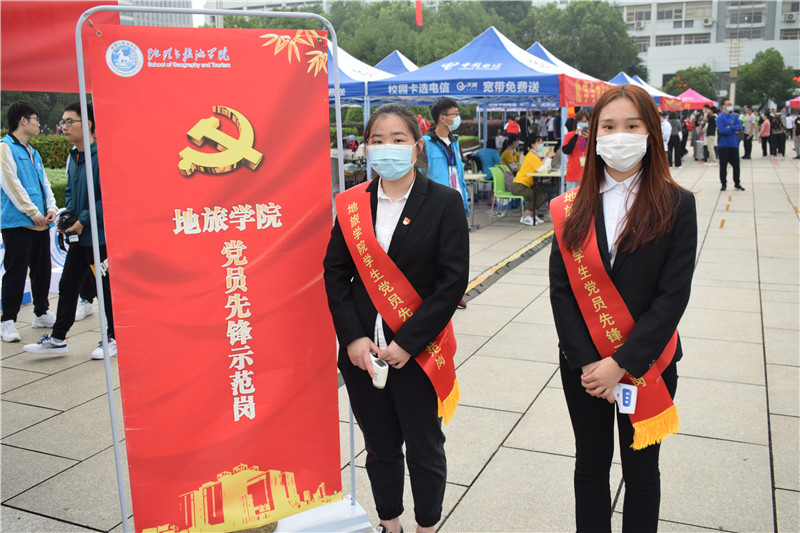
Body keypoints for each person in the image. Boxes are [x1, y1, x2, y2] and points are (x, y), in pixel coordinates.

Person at [549, 84, 696, 533]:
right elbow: (561, 291)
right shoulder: (571, 205)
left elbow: (673, 297)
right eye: (608, 127)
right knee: (590, 464)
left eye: (632, 126)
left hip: (647, 362)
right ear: (594, 136)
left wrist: (622, 363)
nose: (619, 137)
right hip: (584, 367)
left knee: (641, 472)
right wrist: (588, 362)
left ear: (651, 132)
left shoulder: (677, 203)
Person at [323, 103, 469, 533]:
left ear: (417, 147)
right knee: (380, 447)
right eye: (377, 140)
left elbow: (451, 283)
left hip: (418, 351)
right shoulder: (352, 204)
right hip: (363, 353)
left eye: (398, 139)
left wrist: (408, 343)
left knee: (425, 447)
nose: (387, 147)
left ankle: (426, 526)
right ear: (366, 147)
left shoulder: (444, 202)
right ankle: (390, 524)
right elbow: (335, 272)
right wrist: (352, 338)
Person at [23, 102, 116, 360]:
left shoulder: (102, 157)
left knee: (105, 289)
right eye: (62, 122)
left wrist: (84, 219)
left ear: (87, 124)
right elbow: (70, 192)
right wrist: (69, 216)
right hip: (79, 237)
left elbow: (107, 197)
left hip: (99, 238)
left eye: (68, 121)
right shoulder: (74, 157)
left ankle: (113, 337)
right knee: (67, 285)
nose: (63, 127)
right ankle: (58, 338)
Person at [1, 101, 58, 342]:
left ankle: (41, 312)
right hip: (18, 223)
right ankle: (8, 321)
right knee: (16, 271)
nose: (38, 124)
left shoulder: (32, 151)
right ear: (23, 120)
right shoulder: (5, 148)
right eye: (36, 119)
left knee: (42, 269)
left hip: (41, 222)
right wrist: (33, 212)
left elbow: (44, 183)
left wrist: (51, 207)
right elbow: (11, 185)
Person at [423, 97, 468, 216]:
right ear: (442, 118)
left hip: (457, 201)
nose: (458, 118)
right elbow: (419, 174)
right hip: (436, 204)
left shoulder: (454, 142)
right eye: (455, 114)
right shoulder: (425, 143)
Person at [511, 136, 554, 225]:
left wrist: (547, 158)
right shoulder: (531, 156)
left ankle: (532, 215)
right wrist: (549, 157)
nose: (542, 144)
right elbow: (541, 169)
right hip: (519, 186)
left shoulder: (535, 155)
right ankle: (526, 216)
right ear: (533, 145)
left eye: (542, 142)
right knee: (538, 196)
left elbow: (542, 167)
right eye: (539, 143)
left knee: (542, 195)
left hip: (524, 185)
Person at [716, 99, 744, 192]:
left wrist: (731, 127)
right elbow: (723, 130)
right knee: (723, 165)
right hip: (723, 145)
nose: (730, 106)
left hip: (734, 144)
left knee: (736, 165)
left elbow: (739, 126)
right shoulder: (720, 118)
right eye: (728, 104)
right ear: (723, 106)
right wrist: (734, 130)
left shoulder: (734, 116)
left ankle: (737, 183)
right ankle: (723, 183)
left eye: (731, 104)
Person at [561, 110, 590, 191]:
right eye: (581, 121)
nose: (583, 123)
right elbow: (566, 150)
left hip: (587, 173)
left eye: (585, 121)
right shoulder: (569, 135)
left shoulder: (592, 135)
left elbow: (596, 150)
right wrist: (575, 136)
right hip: (573, 173)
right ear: (576, 122)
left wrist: (589, 138)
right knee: (572, 197)